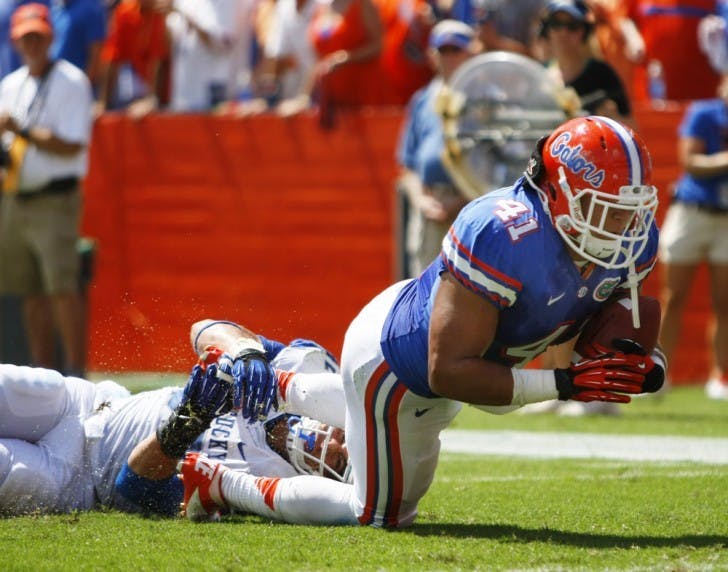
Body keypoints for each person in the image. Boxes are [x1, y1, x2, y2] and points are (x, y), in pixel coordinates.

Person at [179, 115, 666, 527]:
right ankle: (218, 483)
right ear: (558, 193)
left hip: (442, 353)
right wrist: (563, 385)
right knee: (378, 513)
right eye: (606, 211)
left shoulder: (628, 241)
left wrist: (643, 365)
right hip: (398, 364)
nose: (622, 228)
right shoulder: (503, 231)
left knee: (399, 448)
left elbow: (617, 321)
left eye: (630, 213)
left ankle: (273, 386)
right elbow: (448, 371)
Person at [0, 319, 347, 515]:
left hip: (78, 479)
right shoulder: (307, 375)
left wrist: (191, 420)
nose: (333, 443)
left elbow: (134, 486)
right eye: (345, 436)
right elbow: (205, 328)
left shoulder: (270, 487)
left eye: (341, 459)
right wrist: (247, 353)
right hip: (86, 401)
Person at [0, 3, 93, 377]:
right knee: (30, 293)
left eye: (38, 36)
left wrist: (20, 130)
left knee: (62, 289)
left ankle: (75, 373)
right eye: (26, 38)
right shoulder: (11, 84)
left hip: (55, 199)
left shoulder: (72, 81)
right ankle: (44, 376)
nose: (32, 44)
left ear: (50, 37)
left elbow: (71, 144)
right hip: (15, 198)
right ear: (16, 41)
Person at [658, 75, 728, 401]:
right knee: (673, 298)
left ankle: (721, 378)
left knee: (724, 303)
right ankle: (659, 373)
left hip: (726, 218)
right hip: (692, 210)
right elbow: (690, 161)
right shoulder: (704, 113)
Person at [397, 19, 480, 278]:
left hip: (473, 206)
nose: (449, 57)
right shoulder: (421, 100)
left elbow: (495, 165)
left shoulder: (485, 99)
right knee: (422, 285)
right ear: (432, 56)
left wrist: (462, 200)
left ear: (470, 53)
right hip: (430, 205)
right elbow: (407, 163)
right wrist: (421, 200)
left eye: (455, 50)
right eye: (443, 51)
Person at [538, 0, 635, 128]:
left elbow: (632, 128)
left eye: (572, 26)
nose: (563, 32)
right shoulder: (539, 74)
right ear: (546, 30)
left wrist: (613, 119)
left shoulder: (602, 74)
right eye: (556, 24)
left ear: (585, 32)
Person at [95, 0, 169, 118]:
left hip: (174, 95)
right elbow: (113, 57)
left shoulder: (162, 11)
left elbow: (160, 60)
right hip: (148, 93)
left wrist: (151, 100)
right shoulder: (125, 11)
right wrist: (103, 103)